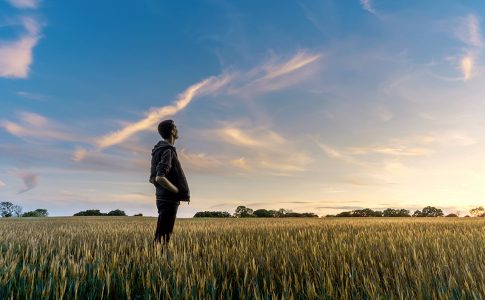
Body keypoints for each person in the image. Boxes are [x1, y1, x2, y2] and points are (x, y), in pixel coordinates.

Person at [150, 120, 190, 249]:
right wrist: (176, 190)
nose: (177, 129)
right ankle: (157, 262)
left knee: (161, 234)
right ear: (172, 131)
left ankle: (155, 259)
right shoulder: (168, 150)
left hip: (161, 197)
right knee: (164, 236)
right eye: (176, 127)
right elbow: (159, 177)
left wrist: (161, 190)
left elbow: (152, 179)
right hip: (169, 199)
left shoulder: (157, 150)